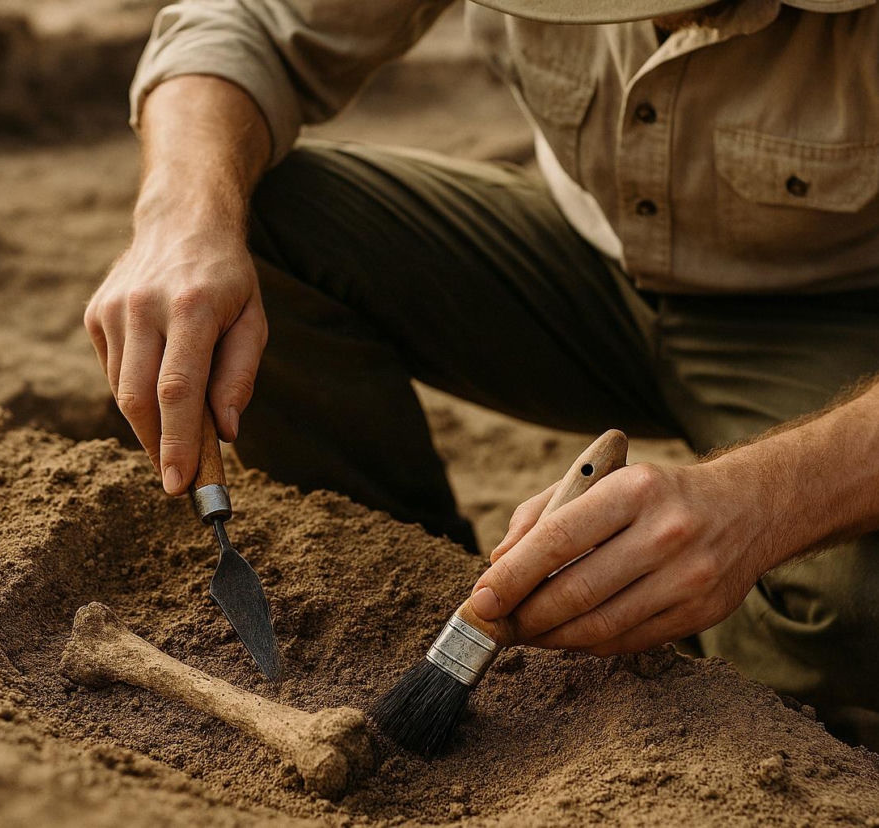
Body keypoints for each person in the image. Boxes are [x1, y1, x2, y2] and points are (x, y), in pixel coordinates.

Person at [83, 0, 879, 749]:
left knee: (844, 611)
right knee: (251, 228)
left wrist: (761, 504)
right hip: (584, 257)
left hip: (832, 311)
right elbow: (248, 19)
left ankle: (702, 682)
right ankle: (418, 602)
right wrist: (181, 217)